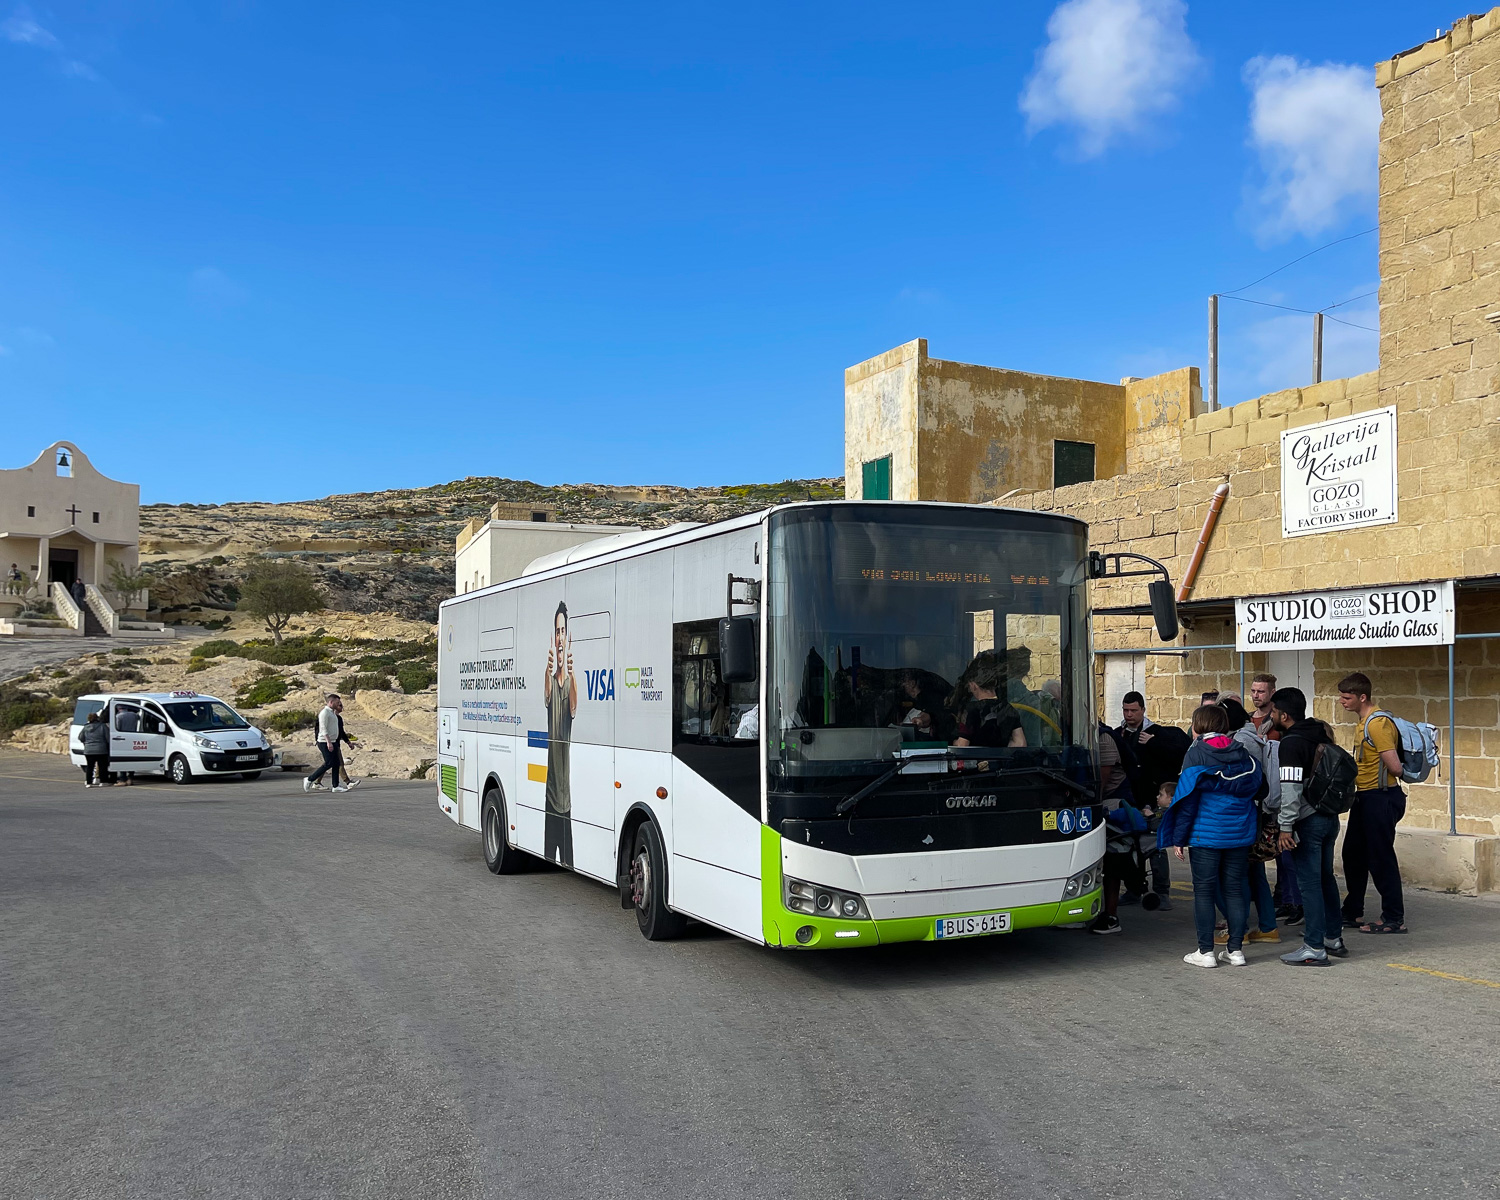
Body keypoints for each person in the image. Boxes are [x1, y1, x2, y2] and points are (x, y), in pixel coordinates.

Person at [1157, 704, 1262, 968]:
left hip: (1206, 834)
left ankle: (1205, 952)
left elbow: (1186, 799)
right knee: (1235, 890)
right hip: (1239, 832)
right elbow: (1261, 789)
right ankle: (1235, 950)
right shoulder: (1244, 754)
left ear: (1197, 725)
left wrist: (1178, 838)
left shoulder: (1196, 753)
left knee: (1204, 891)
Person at [1270, 687, 1348, 966]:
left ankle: (1314, 947)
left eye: (1274, 712)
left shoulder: (1291, 743)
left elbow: (1290, 789)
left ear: (1284, 715)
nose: (1272, 716)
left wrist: (1285, 827)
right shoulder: (1320, 733)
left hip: (1306, 821)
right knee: (1325, 878)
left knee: (1310, 884)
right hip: (1329, 817)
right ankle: (1332, 937)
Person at [1338, 672, 1407, 935]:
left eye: (1347, 697)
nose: (1342, 702)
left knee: (1381, 858)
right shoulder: (1364, 722)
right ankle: (1352, 911)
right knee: (1353, 854)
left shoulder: (1377, 724)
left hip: (1381, 797)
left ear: (1362, 697)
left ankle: (1394, 917)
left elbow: (1395, 767)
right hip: (1365, 797)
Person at [1213, 697, 1280, 945]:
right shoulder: (1251, 737)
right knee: (1254, 873)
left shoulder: (1240, 741)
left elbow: (1240, 779)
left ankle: (1237, 929)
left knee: (1232, 874)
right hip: (1256, 812)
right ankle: (1268, 927)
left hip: (1245, 814)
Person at [1116, 692, 1187, 908]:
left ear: (1143, 710)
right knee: (1129, 846)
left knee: (1156, 846)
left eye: (1133, 711)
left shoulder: (1158, 733)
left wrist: (1154, 743)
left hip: (1157, 800)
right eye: (1126, 710)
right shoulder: (1120, 734)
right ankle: (1134, 889)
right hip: (1131, 799)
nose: (1129, 715)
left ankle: (1162, 892)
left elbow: (1181, 753)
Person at [544, 600, 577, 866]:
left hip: (565, 796)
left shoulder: (570, 684)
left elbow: (574, 706)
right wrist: (550, 670)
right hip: (549, 793)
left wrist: (572, 674)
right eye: (556, 631)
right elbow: (546, 691)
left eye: (563, 631)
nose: (560, 636)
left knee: (568, 860)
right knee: (546, 856)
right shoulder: (550, 680)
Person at [950, 653, 1026, 750]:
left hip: (978, 762)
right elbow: (1020, 743)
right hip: (1001, 761)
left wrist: (954, 742)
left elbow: (962, 745)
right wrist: (1000, 747)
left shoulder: (971, 711)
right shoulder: (1008, 708)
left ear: (973, 685)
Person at [304, 694, 346, 793]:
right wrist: (328, 742)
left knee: (336, 763)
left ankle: (335, 786)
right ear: (331, 702)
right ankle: (310, 779)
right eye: (337, 702)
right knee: (329, 763)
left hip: (333, 741)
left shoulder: (332, 713)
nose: (339, 704)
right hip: (324, 742)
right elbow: (323, 728)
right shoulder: (324, 713)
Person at [80, 710, 110, 788]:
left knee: (90, 766)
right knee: (102, 766)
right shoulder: (102, 726)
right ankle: (103, 781)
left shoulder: (85, 727)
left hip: (89, 750)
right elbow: (108, 738)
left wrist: (87, 743)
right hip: (101, 749)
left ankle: (88, 782)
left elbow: (81, 737)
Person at [335, 705, 362, 790]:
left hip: (335, 743)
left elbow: (341, 732)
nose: (342, 708)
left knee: (328, 764)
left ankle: (316, 782)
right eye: (340, 706)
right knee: (339, 763)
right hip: (329, 744)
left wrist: (348, 742)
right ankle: (347, 782)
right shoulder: (329, 717)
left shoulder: (339, 718)